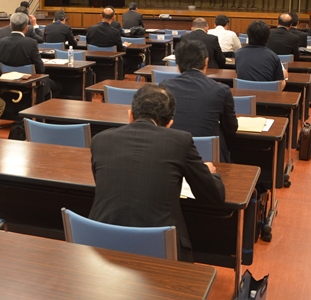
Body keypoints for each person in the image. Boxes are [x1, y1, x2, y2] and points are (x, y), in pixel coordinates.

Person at [89, 84, 226, 262]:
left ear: (130, 115)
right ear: (169, 124)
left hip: (101, 243)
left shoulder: (100, 140)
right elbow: (214, 195)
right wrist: (210, 173)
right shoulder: (180, 141)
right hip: (158, 249)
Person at [160, 40, 237, 162]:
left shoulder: (164, 88)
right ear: (206, 62)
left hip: (171, 155)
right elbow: (231, 128)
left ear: (177, 64)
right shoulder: (221, 90)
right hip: (209, 159)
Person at [0, 12, 60, 99]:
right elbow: (40, 68)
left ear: (10, 26)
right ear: (26, 27)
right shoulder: (31, 43)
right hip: (30, 82)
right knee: (58, 86)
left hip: (7, 82)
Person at [235, 20, 287, 89]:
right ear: (267, 38)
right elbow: (280, 85)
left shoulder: (238, 54)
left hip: (244, 95)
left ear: (248, 35)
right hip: (267, 97)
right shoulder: (273, 56)